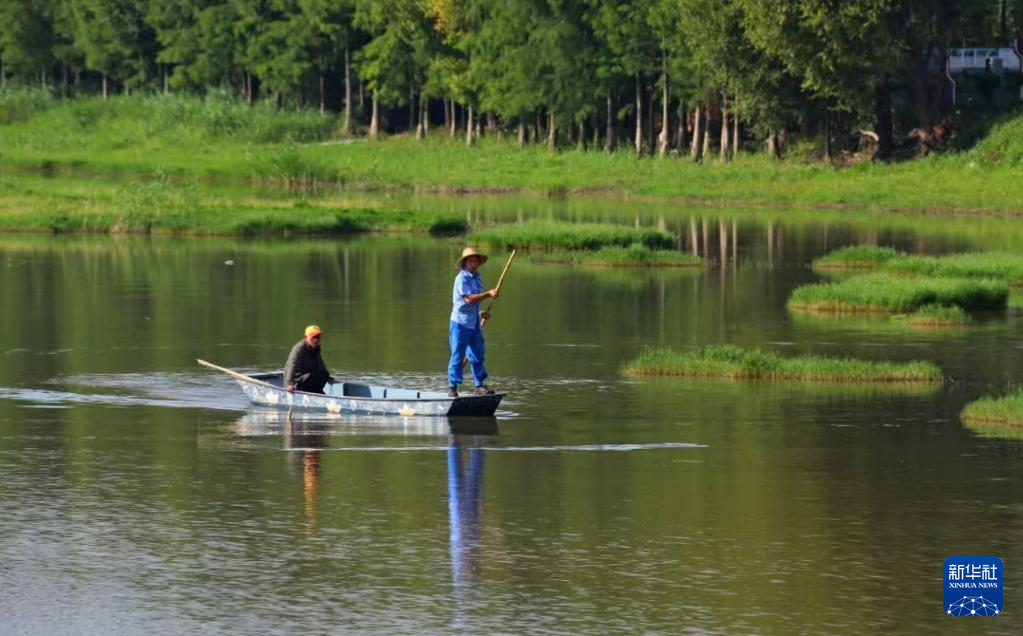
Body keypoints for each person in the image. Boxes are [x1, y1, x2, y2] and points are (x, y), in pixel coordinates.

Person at [448, 247, 499, 397]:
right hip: (460, 323)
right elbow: (468, 299)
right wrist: (488, 294)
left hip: (474, 323)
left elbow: (474, 302)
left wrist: (480, 313)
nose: (473, 262)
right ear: (465, 262)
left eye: (475, 260)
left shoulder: (477, 277)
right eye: (470, 260)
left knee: (478, 355)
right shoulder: (461, 278)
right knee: (457, 355)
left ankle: (479, 385)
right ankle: (452, 387)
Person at [285, 325, 334, 394]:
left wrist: (327, 377)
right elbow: (292, 365)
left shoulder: (315, 348)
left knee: (324, 374)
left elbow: (320, 363)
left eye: (318, 337)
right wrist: (289, 384)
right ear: (305, 337)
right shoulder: (299, 349)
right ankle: (299, 390)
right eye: (313, 337)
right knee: (311, 376)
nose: (316, 340)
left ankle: (317, 391)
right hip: (297, 380)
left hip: (307, 376)